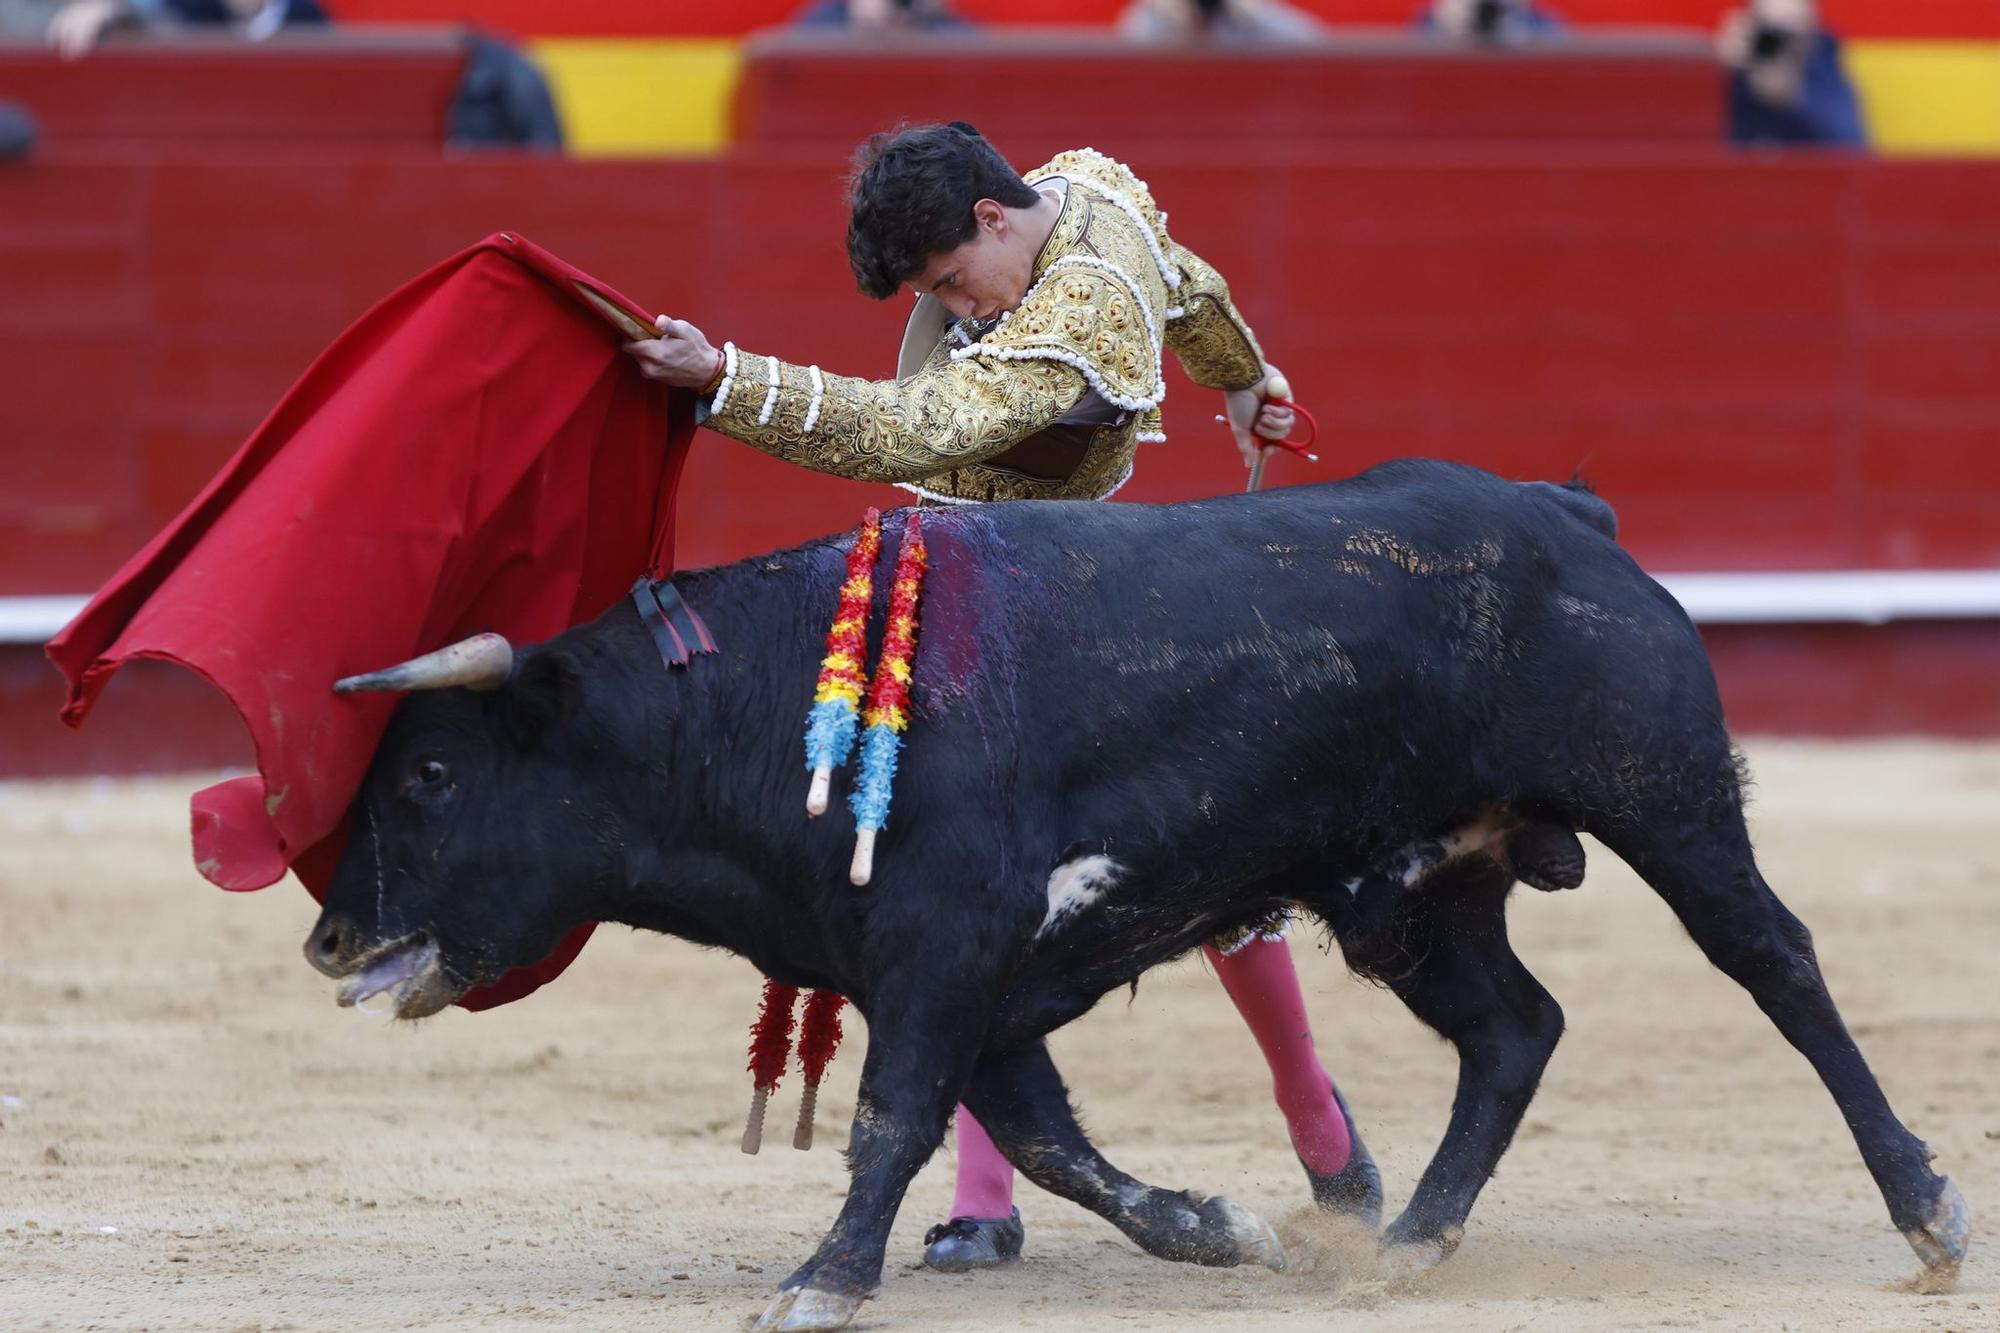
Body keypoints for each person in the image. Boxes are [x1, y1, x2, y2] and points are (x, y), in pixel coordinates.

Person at [623, 121, 1381, 1271]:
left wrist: (728, 379)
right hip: (962, 583)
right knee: (962, 875)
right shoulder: (1080, 189)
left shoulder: (1076, 313)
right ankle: (983, 1197)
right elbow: (1194, 285)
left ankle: (1316, 1121)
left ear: (988, 219)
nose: (956, 308)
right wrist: (1244, 381)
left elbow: (917, 425)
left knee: (1221, 861)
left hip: (1073, 605)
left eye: (947, 282)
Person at [1719, 0, 1867, 147]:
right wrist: (1717, 72)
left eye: (1788, 36)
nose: (1780, 46)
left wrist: (1795, 99)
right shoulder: (1741, 67)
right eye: (1769, 35)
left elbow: (1852, 148)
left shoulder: (1824, 61)